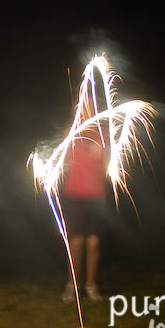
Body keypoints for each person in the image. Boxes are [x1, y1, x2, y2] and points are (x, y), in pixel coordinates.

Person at [61, 130, 108, 303]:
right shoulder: (72, 134)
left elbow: (108, 166)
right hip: (74, 196)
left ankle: (90, 285)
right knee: (76, 242)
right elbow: (61, 159)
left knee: (93, 243)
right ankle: (73, 285)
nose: (86, 117)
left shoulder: (103, 137)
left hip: (96, 198)